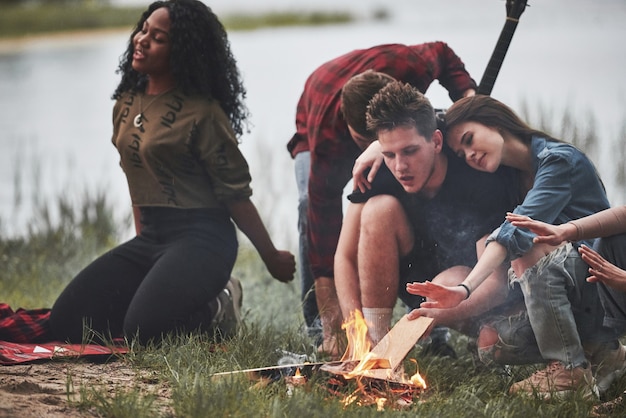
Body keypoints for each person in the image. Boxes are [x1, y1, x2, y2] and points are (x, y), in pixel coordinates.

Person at [48, 0, 295, 346]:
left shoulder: (203, 113)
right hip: (152, 238)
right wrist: (144, 253)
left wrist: (271, 257)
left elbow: (235, 195)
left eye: (158, 37)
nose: (142, 40)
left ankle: (219, 305)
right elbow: (135, 177)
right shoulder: (126, 104)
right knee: (65, 325)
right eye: (143, 29)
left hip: (204, 241)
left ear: (181, 51)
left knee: (142, 333)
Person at [408, 95, 625, 398]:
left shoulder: (558, 160)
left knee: (527, 247)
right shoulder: (510, 173)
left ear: (494, 120)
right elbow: (419, 125)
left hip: (602, 289)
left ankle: (570, 369)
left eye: (470, 140)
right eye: (462, 152)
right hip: (570, 290)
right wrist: (376, 146)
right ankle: (606, 355)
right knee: (491, 343)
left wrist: (465, 289)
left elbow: (516, 232)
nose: (469, 154)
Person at [287, 42, 477, 352]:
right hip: (315, 116)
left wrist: (470, 101)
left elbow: (443, 54)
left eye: (399, 150)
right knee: (311, 206)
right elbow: (329, 247)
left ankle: (425, 335)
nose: (395, 165)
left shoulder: (408, 66)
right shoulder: (328, 140)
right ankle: (322, 329)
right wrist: (341, 329)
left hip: (400, 120)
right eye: (383, 151)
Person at [334, 81, 522, 357]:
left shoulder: (476, 174)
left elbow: (495, 284)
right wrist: (356, 331)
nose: (400, 166)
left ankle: (400, 346)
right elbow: (344, 257)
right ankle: (376, 344)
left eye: (410, 151)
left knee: (490, 340)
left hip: (465, 288)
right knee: (377, 209)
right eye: (389, 154)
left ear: (436, 141)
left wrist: (426, 318)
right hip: (412, 280)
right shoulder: (377, 169)